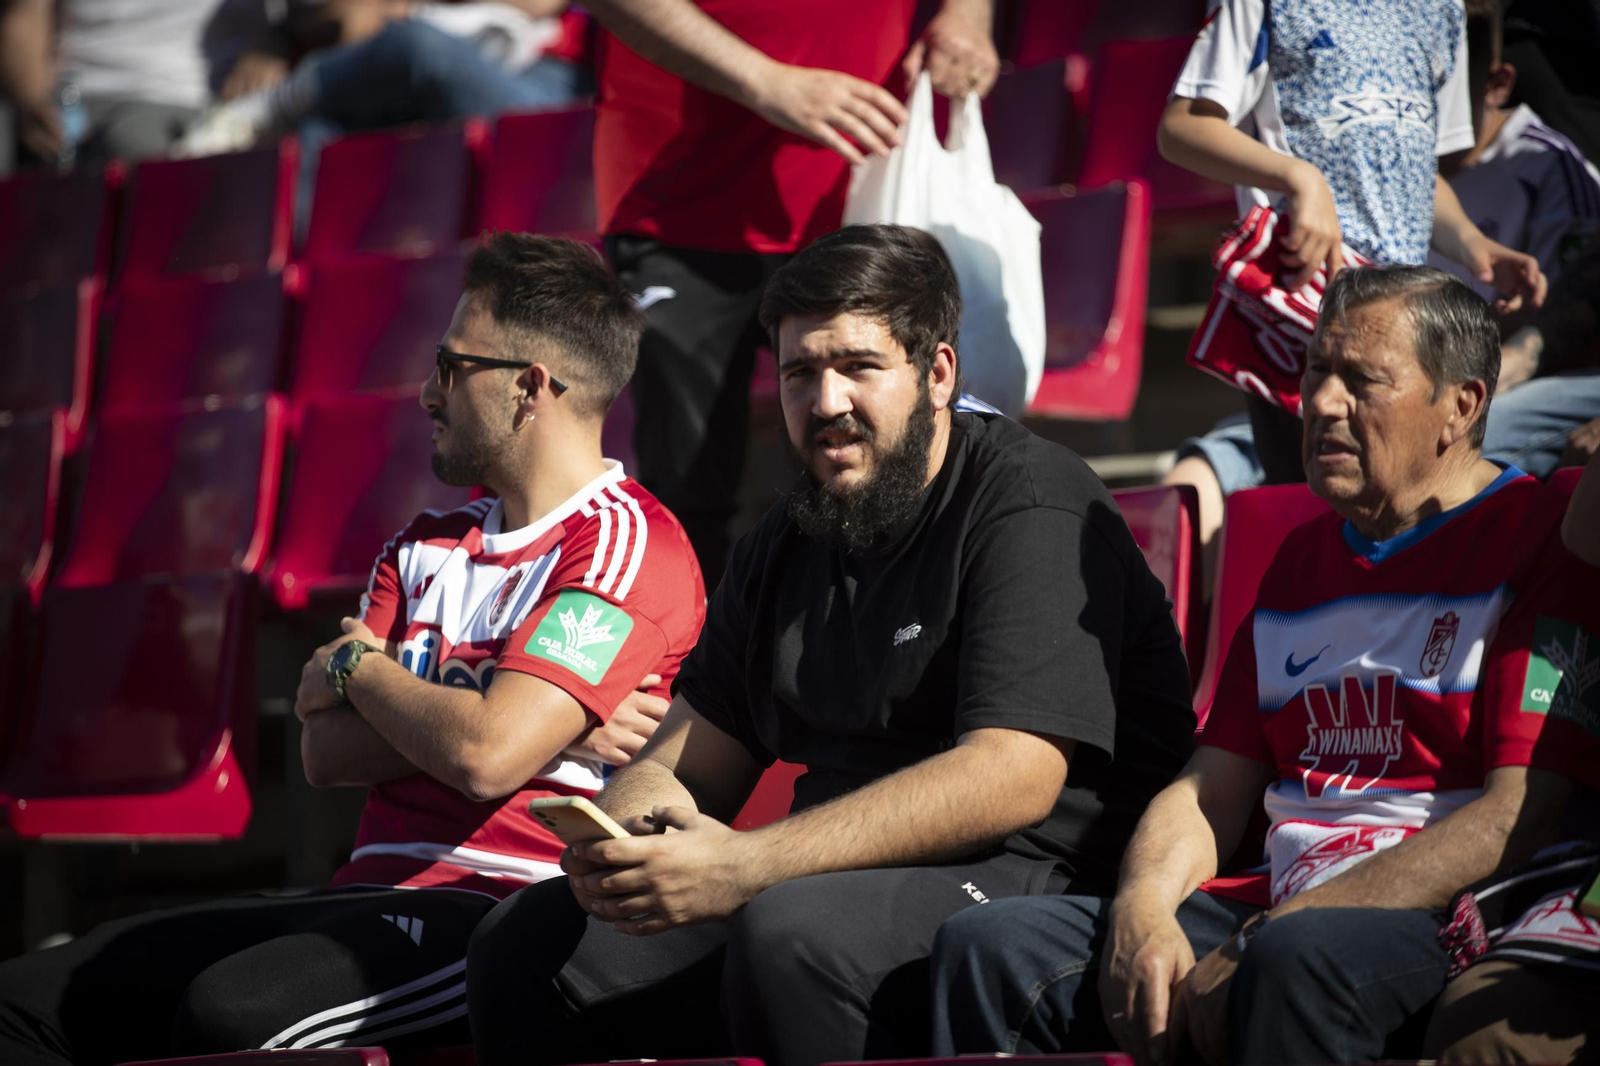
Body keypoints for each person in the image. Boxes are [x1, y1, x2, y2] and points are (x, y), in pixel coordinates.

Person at [463, 223, 1197, 1066]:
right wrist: (624, 838)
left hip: (1039, 877)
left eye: (858, 366)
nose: (826, 402)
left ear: (938, 376)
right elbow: (684, 758)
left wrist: (748, 865)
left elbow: (1015, 775)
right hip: (828, 880)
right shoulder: (788, 536)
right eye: (801, 373)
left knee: (791, 934)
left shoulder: (1028, 503)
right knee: (526, 943)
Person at [0, 234, 705, 1065]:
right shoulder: (422, 544)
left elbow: (486, 755)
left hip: (502, 915)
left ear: (529, 388)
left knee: (232, 1017)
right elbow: (324, 751)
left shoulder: (624, 543)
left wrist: (360, 668)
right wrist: (494, 707)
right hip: (361, 896)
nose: (424, 394)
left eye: (450, 367)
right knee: (30, 998)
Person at [930, 265, 1599, 1065]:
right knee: (989, 947)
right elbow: (1209, 788)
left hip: (1440, 915)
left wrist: (1271, 934)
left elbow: (1511, 822)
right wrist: (1142, 910)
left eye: (1363, 382)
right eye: (1316, 372)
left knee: (1293, 962)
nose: (1321, 404)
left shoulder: (1543, 537)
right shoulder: (1299, 561)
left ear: (1461, 406)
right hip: (1273, 906)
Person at [577, 0, 998, 585]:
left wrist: (968, 16)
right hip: (679, 203)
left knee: (889, 459)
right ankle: (702, 669)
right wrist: (763, 79)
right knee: (690, 482)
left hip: (862, 189)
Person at [1160, 0, 1547, 570]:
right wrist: (1297, 176)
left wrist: (1472, 244)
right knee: (1310, 517)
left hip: (1408, 332)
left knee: (1409, 511)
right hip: (1304, 318)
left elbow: (1420, 166)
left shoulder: (1442, 13)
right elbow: (1182, 126)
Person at [2, 0, 215, 167]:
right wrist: (32, 102)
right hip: (74, 95)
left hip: (181, 96)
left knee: (140, 155)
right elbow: (24, 17)